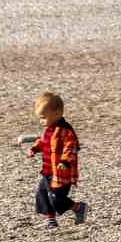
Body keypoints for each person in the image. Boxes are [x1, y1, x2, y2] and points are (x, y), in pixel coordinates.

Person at [27, 92, 87, 228]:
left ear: (57, 113)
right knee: (42, 194)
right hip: (48, 170)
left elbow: (70, 147)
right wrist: (35, 148)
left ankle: (78, 207)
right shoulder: (49, 129)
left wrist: (64, 161)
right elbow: (43, 141)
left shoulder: (65, 130)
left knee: (56, 197)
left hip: (60, 173)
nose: (41, 121)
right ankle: (51, 220)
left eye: (43, 117)